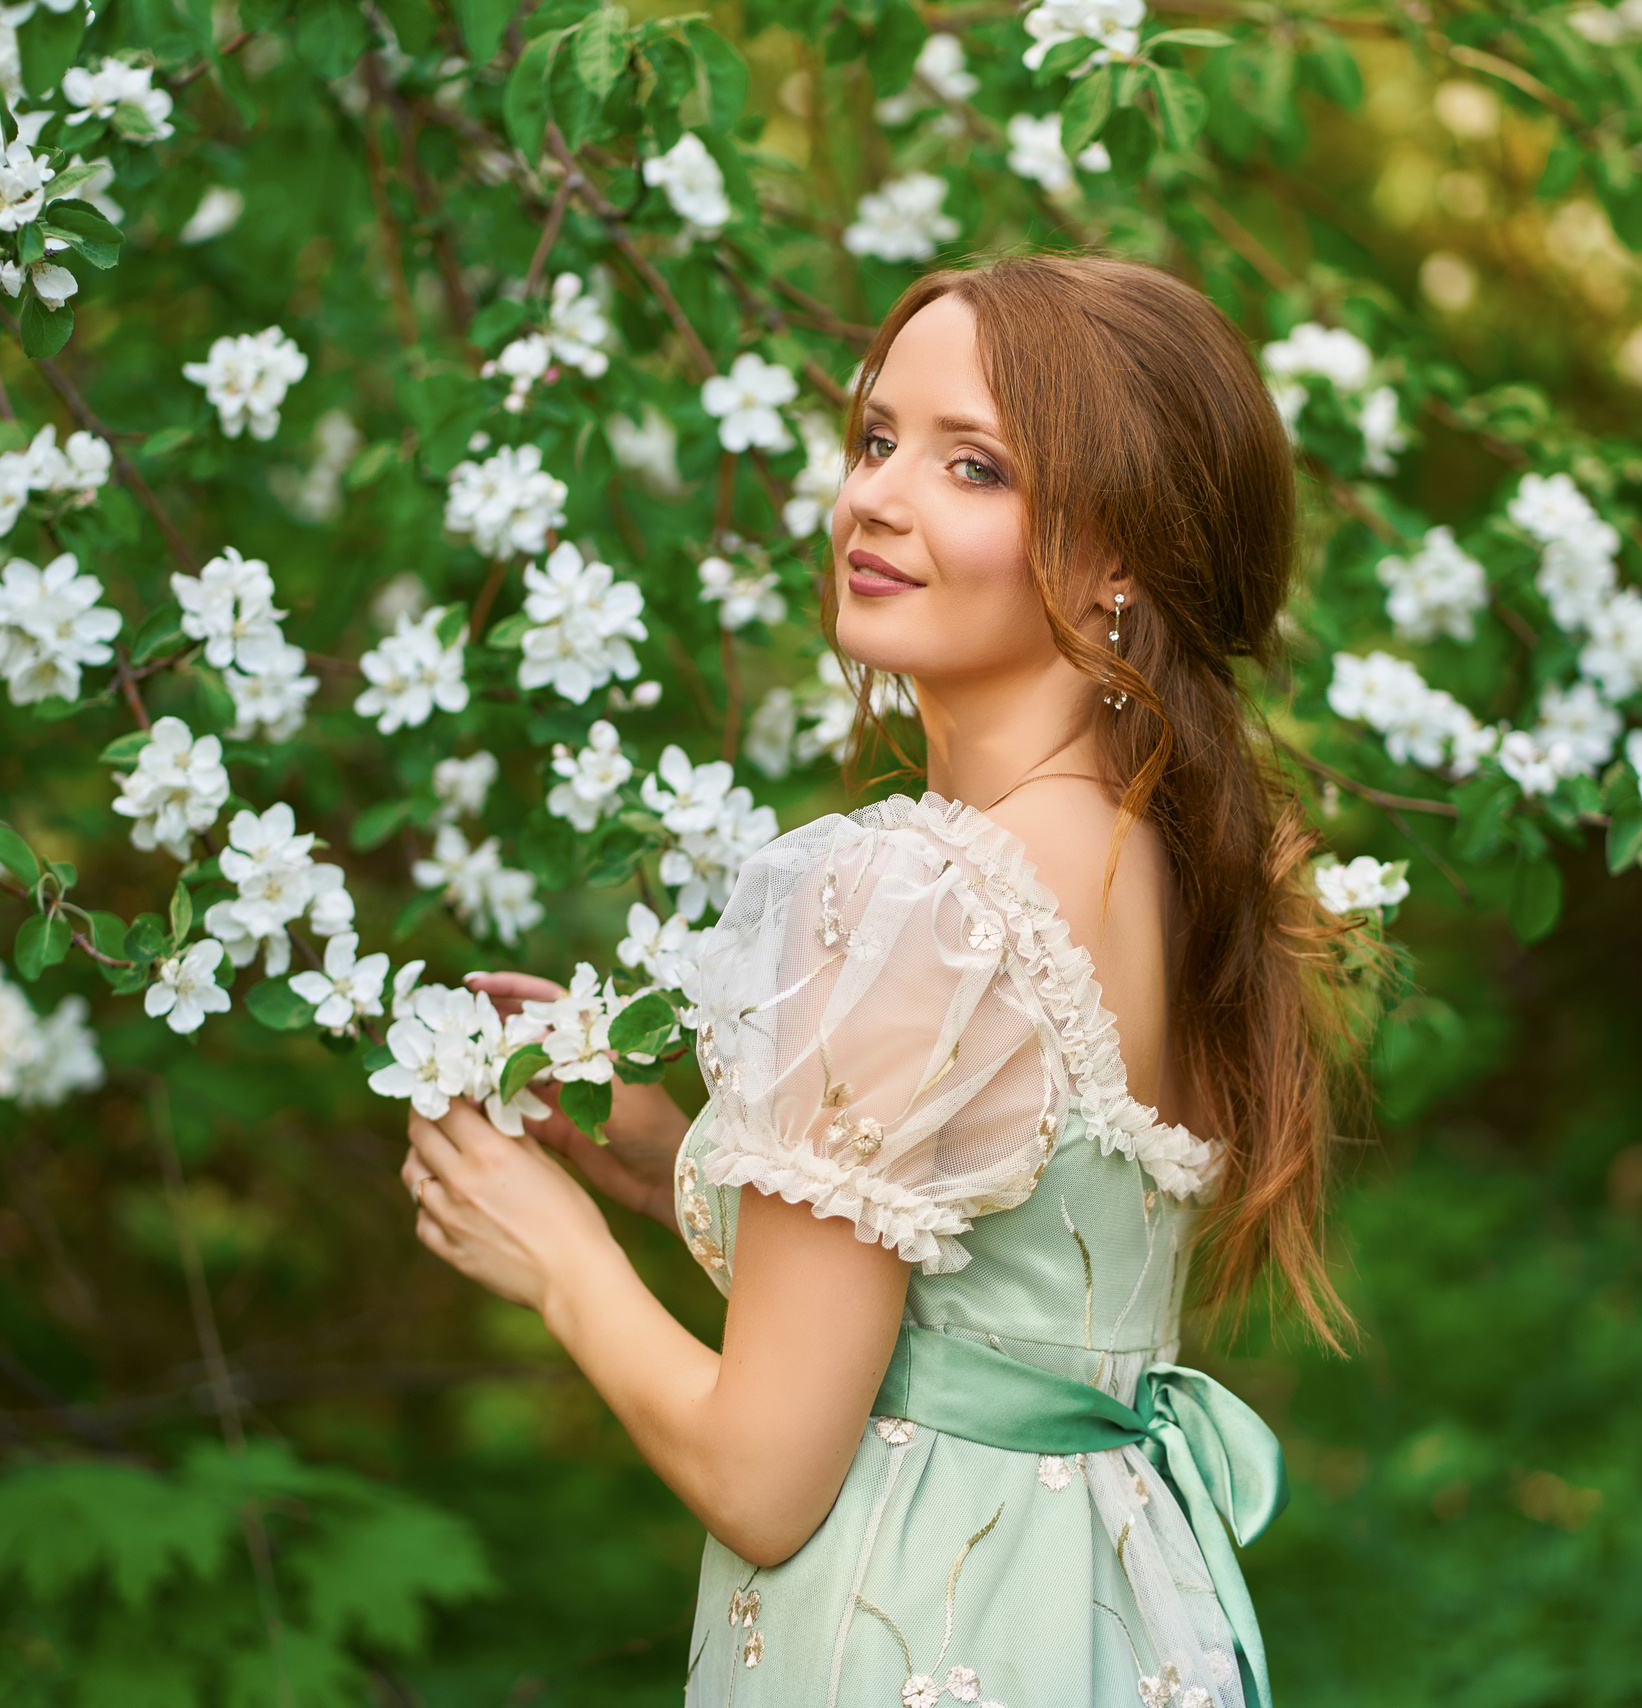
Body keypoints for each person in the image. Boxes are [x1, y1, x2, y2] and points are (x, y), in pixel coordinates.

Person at [398, 254, 1363, 1708]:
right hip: (1101, 1613)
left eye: (973, 465)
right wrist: (673, 1160)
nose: (878, 499)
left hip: (910, 1624)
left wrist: (557, 1257)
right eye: (874, 440)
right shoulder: (1157, 853)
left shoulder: (917, 892)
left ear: (1123, 558)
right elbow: (990, 1280)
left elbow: (762, 1473)